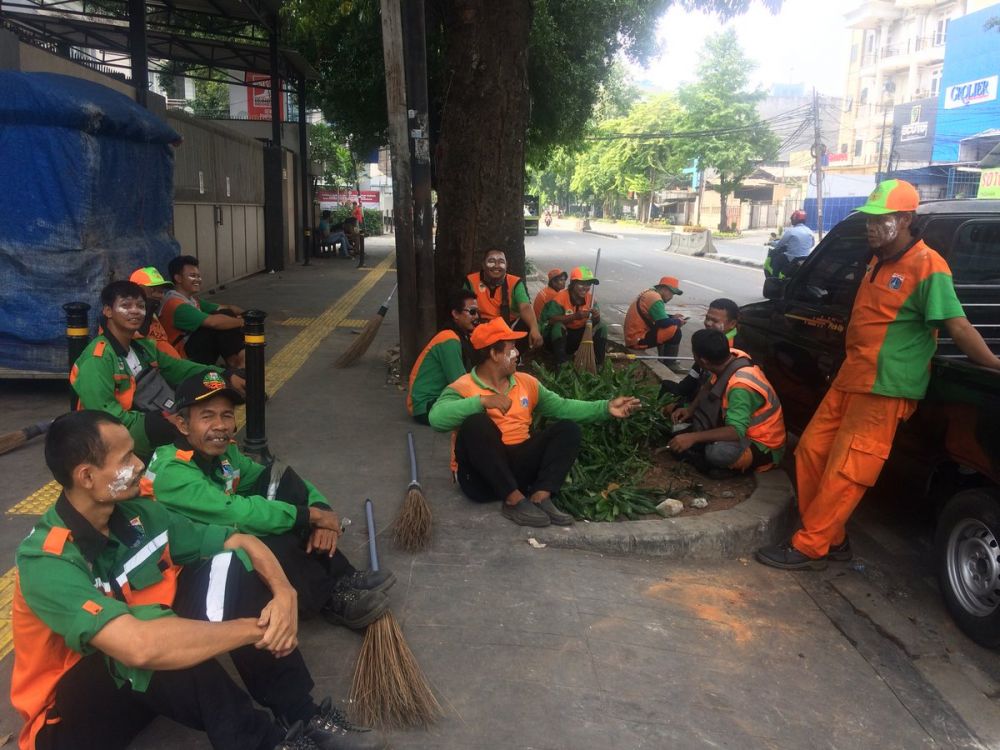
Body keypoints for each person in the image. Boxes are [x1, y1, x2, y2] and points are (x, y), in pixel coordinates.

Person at [11, 410, 383, 750]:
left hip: (146, 689)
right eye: (125, 458)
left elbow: (240, 540)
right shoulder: (47, 560)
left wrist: (285, 596)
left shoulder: (138, 512)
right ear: (87, 476)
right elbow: (138, 646)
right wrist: (258, 630)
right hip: (71, 720)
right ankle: (267, 744)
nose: (140, 465)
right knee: (144, 646)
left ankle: (300, 712)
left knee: (232, 568)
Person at [756, 179, 1000, 570]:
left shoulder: (928, 266)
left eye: (880, 219)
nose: (871, 226)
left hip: (886, 387)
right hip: (852, 377)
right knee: (810, 452)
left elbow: (958, 325)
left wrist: (993, 363)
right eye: (869, 219)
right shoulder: (876, 259)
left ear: (904, 219)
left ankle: (811, 547)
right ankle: (832, 538)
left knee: (847, 469)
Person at [145, 373, 392, 631]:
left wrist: (321, 510)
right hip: (187, 573)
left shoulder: (223, 451)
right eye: (207, 416)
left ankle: (342, 575)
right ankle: (329, 598)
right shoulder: (171, 470)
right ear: (183, 425)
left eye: (227, 415)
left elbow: (274, 477)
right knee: (267, 534)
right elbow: (236, 514)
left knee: (282, 478)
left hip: (221, 537)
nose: (220, 425)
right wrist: (309, 516)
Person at [428, 317, 641, 527]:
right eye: (511, 348)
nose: (517, 353)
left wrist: (605, 407)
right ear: (494, 354)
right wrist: (481, 401)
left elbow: (563, 407)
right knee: (476, 424)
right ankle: (512, 501)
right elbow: (437, 419)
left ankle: (540, 496)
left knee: (568, 429)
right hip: (481, 480)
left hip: (519, 473)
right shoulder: (463, 386)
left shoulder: (526, 382)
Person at [71, 280, 244, 461]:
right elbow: (104, 417)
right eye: (126, 305)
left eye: (140, 305)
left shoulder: (142, 347)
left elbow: (180, 368)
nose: (135, 311)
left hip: (153, 415)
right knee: (189, 432)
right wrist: (157, 422)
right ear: (108, 311)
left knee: (210, 418)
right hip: (114, 437)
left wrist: (224, 375)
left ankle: (223, 470)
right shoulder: (97, 359)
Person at [666, 329, 786, 478]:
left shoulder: (740, 387)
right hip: (738, 427)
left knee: (717, 453)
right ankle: (705, 457)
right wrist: (690, 410)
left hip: (762, 444)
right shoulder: (731, 357)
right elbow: (708, 386)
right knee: (678, 425)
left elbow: (735, 431)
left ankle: (727, 465)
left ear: (702, 361)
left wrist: (693, 437)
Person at [159, 256, 246, 369]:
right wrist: (245, 322)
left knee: (226, 314)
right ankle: (238, 363)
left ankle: (237, 362)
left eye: (199, 276)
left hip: (193, 348)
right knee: (219, 324)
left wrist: (247, 314)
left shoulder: (191, 299)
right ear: (178, 278)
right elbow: (213, 322)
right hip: (181, 359)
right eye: (192, 276)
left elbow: (227, 308)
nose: (198, 280)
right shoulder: (175, 304)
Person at [407, 290, 479, 424]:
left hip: (437, 401)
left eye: (477, 312)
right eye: (472, 312)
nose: (476, 317)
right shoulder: (449, 339)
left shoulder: (460, 336)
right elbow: (459, 382)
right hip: (426, 407)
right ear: (455, 314)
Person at [662, 298, 741, 402]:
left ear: (732, 324)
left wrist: (687, 406)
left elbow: (710, 387)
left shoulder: (730, 349)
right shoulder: (710, 338)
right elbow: (695, 372)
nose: (708, 323)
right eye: (707, 318)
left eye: (715, 321)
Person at [464, 249, 543, 349]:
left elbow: (525, 307)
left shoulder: (515, 282)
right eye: (491, 261)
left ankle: (515, 358)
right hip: (481, 326)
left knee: (528, 325)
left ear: (506, 265)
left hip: (508, 326)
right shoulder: (471, 281)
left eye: (501, 262)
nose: (496, 266)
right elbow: (463, 309)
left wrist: (534, 328)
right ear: (483, 264)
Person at [539, 266, 608, 368]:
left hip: (580, 337)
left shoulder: (591, 299)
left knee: (602, 326)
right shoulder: (560, 298)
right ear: (573, 283)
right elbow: (551, 320)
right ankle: (561, 365)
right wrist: (575, 316)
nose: (585, 287)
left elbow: (595, 321)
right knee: (558, 327)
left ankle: (598, 363)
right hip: (560, 339)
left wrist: (596, 317)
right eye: (582, 283)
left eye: (588, 284)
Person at [624, 276, 688, 370]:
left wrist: (672, 317)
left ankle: (664, 359)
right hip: (637, 339)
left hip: (633, 335)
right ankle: (670, 364)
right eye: (671, 293)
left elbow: (657, 316)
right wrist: (678, 321)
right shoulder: (655, 298)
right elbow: (663, 322)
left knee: (668, 327)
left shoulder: (650, 293)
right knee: (675, 331)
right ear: (664, 289)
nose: (671, 297)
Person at [128, 266, 179, 357]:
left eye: (161, 291)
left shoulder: (152, 312)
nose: (160, 296)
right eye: (154, 290)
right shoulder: (125, 318)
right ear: (139, 289)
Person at [765, 210, 814, 279]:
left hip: (792, 259)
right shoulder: (810, 231)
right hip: (804, 259)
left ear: (794, 219)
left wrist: (770, 242)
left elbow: (779, 245)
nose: (791, 221)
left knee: (777, 260)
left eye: (792, 219)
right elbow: (812, 244)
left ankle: (774, 280)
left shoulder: (791, 231)